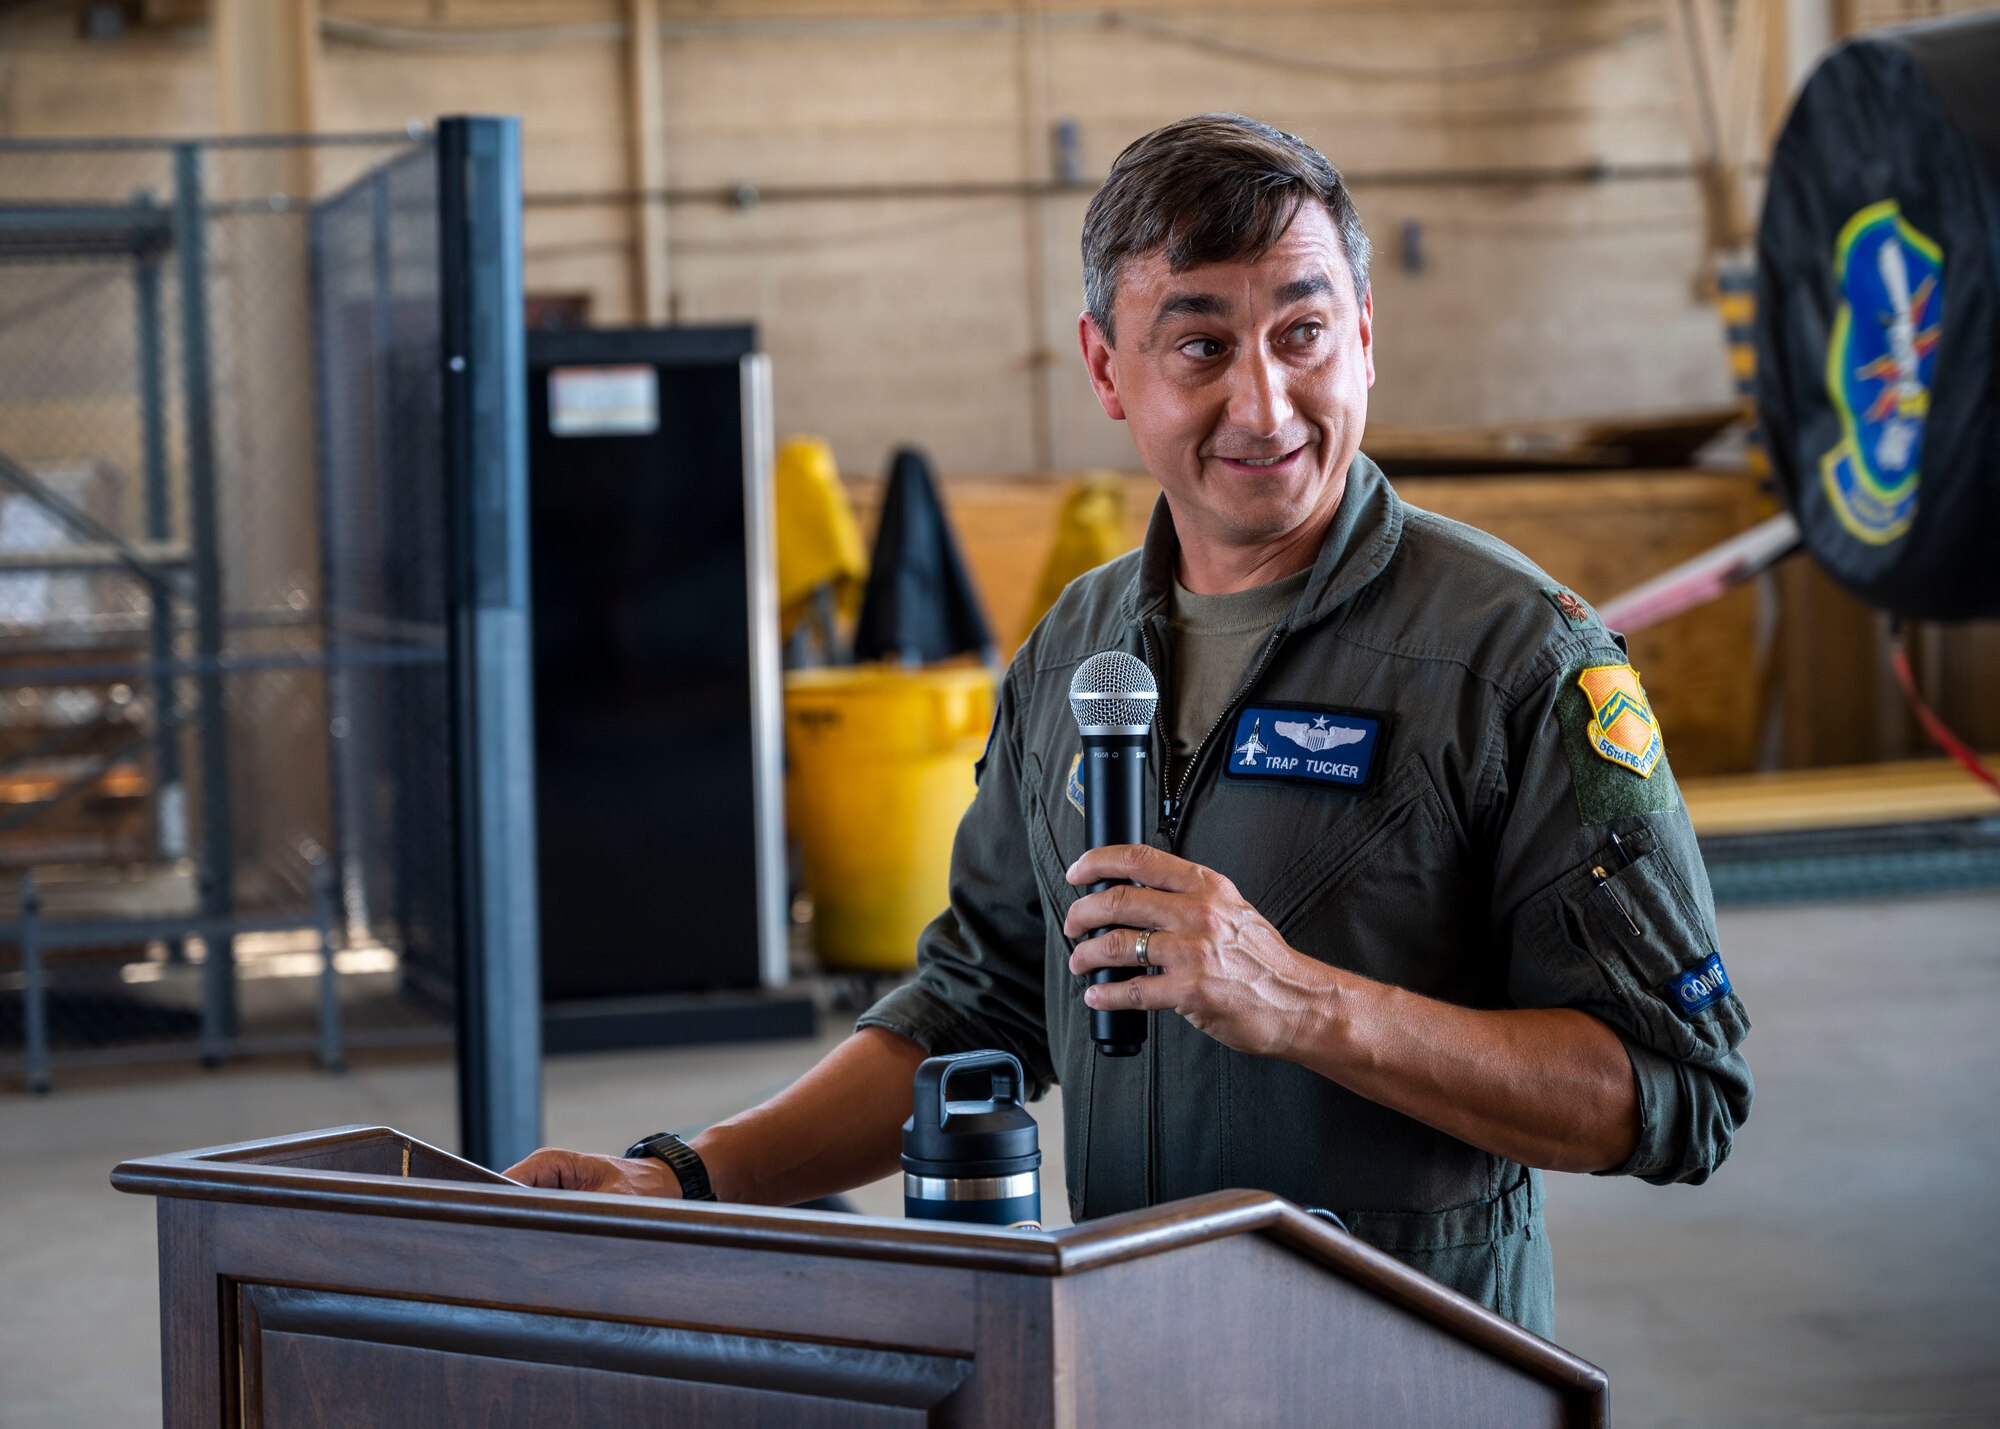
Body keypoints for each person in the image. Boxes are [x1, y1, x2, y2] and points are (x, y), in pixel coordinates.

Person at [506, 113, 1752, 1337]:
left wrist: (1302, 1002)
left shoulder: (1512, 655)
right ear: (1106, 369)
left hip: (1405, 1380)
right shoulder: (1072, 649)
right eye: (1200, 345)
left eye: (1302, 335)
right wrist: (680, 1178)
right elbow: (978, 997)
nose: (1264, 406)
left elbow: (1671, 1087)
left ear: (1365, 339)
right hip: (1128, 1362)